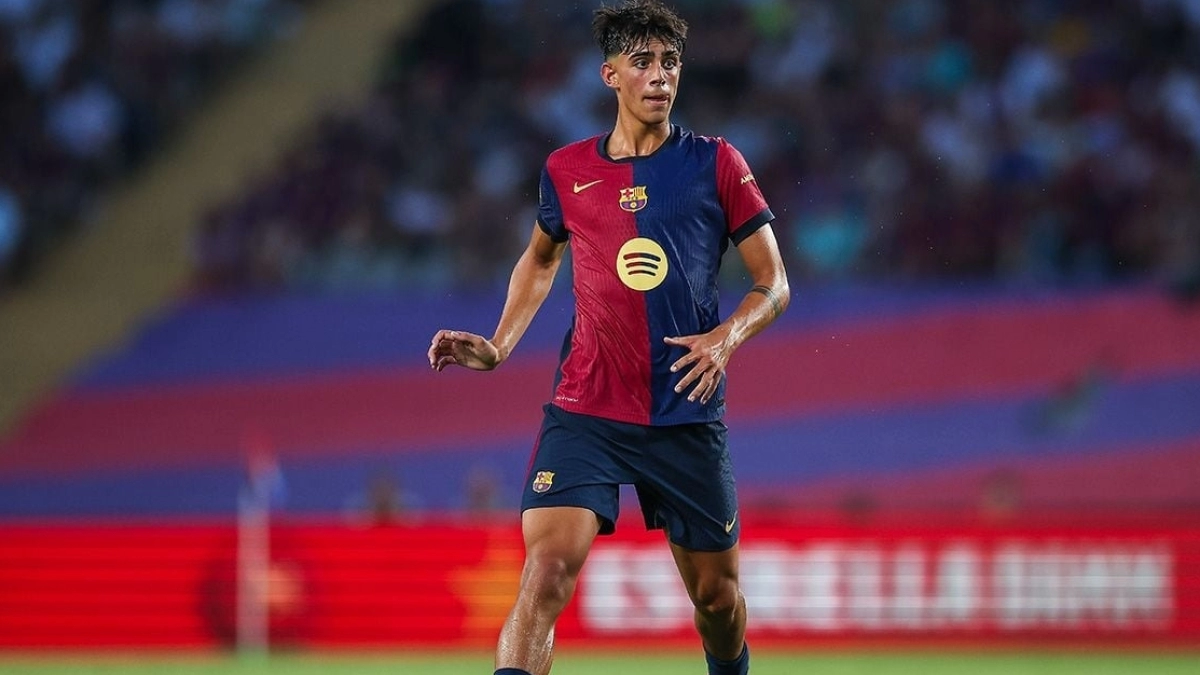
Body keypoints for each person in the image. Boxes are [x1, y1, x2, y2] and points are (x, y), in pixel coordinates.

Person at [427, 2, 789, 674]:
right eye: (643, 62)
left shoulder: (716, 162)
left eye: (670, 62)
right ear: (610, 74)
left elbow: (775, 281)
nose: (660, 76)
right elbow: (541, 259)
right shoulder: (567, 170)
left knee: (716, 599)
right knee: (545, 574)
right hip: (587, 407)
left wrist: (726, 337)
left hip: (684, 407)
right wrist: (500, 344)